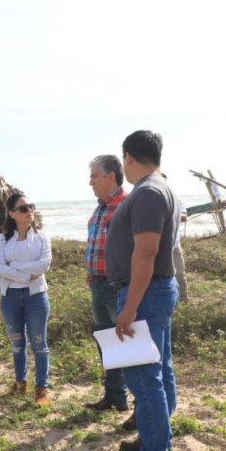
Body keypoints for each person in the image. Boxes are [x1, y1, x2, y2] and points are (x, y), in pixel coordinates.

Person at [105, 130, 180, 451]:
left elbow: (146, 252)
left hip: (144, 295)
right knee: (159, 372)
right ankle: (155, 441)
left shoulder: (149, 191)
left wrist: (129, 307)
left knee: (145, 380)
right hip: (152, 292)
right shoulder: (160, 187)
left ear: (129, 157)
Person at [83, 155, 137, 429]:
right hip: (98, 285)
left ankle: (139, 406)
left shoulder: (126, 205)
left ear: (110, 177)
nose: (90, 181)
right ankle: (115, 396)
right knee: (107, 343)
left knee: (130, 347)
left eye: (94, 176)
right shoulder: (102, 207)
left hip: (118, 288)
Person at [0, 194, 52, 406]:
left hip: (36, 296)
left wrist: (13, 268)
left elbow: (44, 265)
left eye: (31, 206)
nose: (29, 210)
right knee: (17, 344)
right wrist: (27, 274)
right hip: (10, 297)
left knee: (39, 344)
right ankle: (20, 385)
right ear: (12, 214)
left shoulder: (42, 236)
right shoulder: (2, 239)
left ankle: (41, 389)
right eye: (23, 208)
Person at [163, 173, 189, 304]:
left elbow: (184, 216)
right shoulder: (149, 199)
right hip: (157, 246)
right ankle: (168, 302)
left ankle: (183, 300)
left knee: (180, 274)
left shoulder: (175, 198)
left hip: (174, 244)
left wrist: (167, 216)